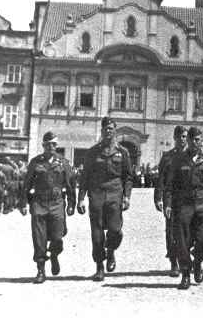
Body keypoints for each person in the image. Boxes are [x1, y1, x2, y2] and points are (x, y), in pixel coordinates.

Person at [164, 127, 203, 290]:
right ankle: (186, 274)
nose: (198, 143)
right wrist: (168, 203)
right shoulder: (178, 160)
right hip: (183, 206)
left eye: (200, 140)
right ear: (188, 141)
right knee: (182, 242)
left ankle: (197, 262)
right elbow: (169, 185)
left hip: (202, 204)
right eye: (194, 140)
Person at [77, 117, 133, 282]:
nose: (108, 131)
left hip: (115, 194)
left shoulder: (123, 152)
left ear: (115, 131)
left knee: (115, 230)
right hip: (97, 194)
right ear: (102, 131)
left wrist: (127, 196)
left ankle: (111, 251)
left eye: (111, 129)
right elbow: (85, 176)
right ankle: (99, 267)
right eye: (105, 129)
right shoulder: (93, 152)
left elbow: (128, 177)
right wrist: (81, 199)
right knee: (97, 233)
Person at [20, 131, 76, 284]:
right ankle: (40, 270)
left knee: (57, 237)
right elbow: (27, 184)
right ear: (43, 145)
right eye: (48, 144)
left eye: (54, 144)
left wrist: (72, 203)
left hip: (57, 203)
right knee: (39, 238)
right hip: (39, 203)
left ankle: (55, 254)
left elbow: (70, 184)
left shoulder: (63, 162)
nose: (51, 147)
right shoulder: (35, 162)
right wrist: (23, 203)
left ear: (56, 145)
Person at [153, 125, 188, 277]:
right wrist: (158, 198)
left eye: (185, 137)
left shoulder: (192, 155)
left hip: (188, 199)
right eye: (180, 136)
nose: (183, 139)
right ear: (175, 138)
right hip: (171, 198)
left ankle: (185, 260)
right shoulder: (167, 157)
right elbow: (160, 179)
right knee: (171, 232)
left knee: (187, 232)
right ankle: (174, 262)